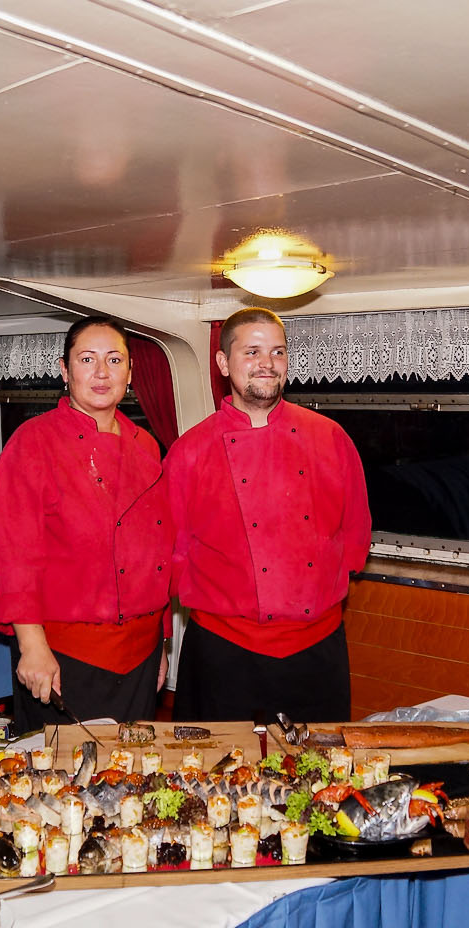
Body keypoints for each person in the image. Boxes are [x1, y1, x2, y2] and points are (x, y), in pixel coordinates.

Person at [165, 307, 372, 722]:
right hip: (225, 648)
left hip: (316, 646)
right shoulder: (190, 451)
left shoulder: (330, 437)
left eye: (278, 352)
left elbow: (356, 532)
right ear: (224, 363)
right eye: (252, 352)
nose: (267, 363)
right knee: (218, 761)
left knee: (318, 758)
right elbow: (172, 551)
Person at [0, 315, 172, 729]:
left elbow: (155, 551)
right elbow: (13, 554)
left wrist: (159, 641)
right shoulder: (33, 442)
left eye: (114, 360)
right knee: (64, 768)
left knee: (136, 764)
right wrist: (32, 645)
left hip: (139, 653)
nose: (102, 372)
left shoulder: (147, 446)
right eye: (87, 359)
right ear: (65, 371)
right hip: (65, 654)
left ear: (130, 373)